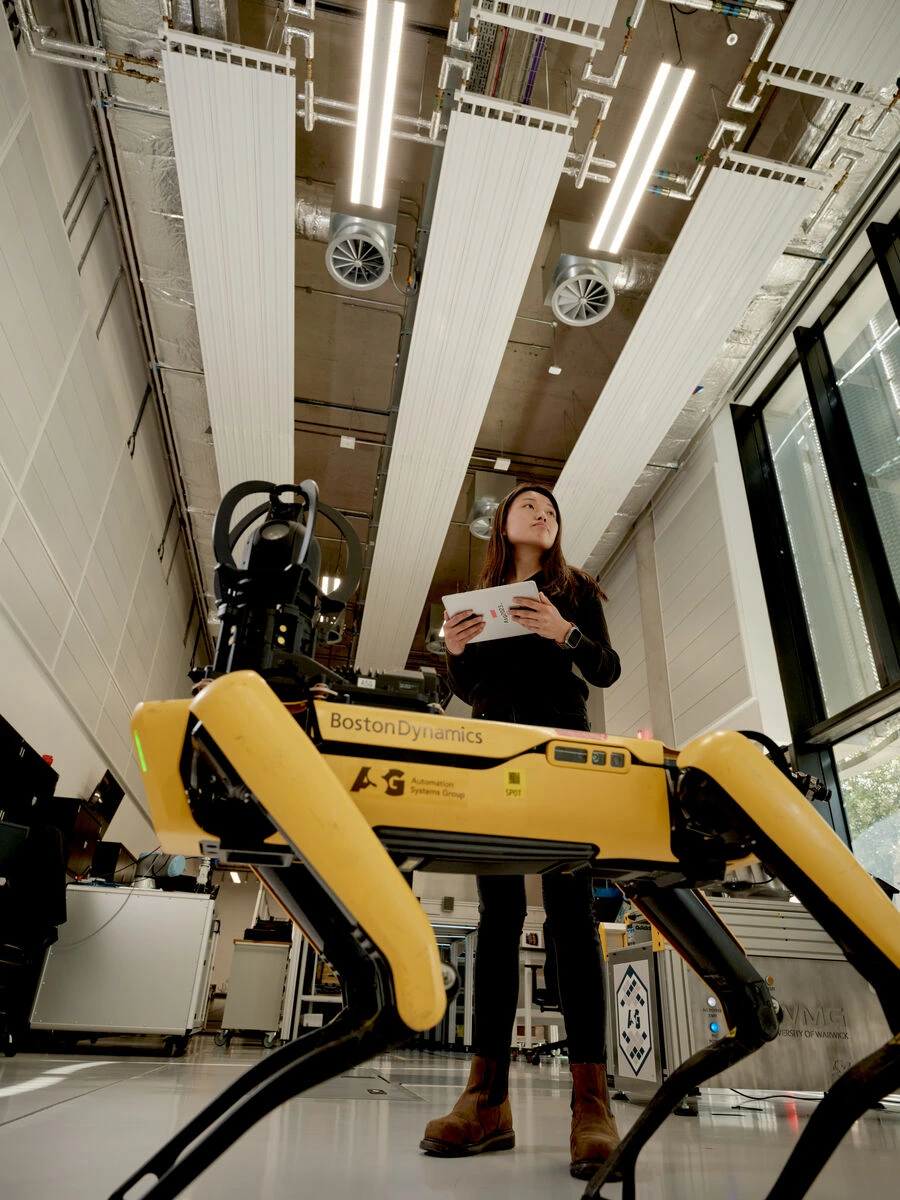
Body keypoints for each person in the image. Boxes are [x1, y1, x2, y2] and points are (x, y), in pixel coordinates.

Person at [419, 483, 623, 1180]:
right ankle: (487, 1099)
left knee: (572, 920)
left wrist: (561, 631)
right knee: (498, 919)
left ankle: (591, 1103)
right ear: (501, 522)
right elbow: (471, 693)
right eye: (529, 506)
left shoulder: (575, 590)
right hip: (492, 761)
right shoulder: (476, 604)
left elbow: (606, 668)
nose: (543, 514)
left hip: (564, 756)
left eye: (553, 510)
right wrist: (452, 650)